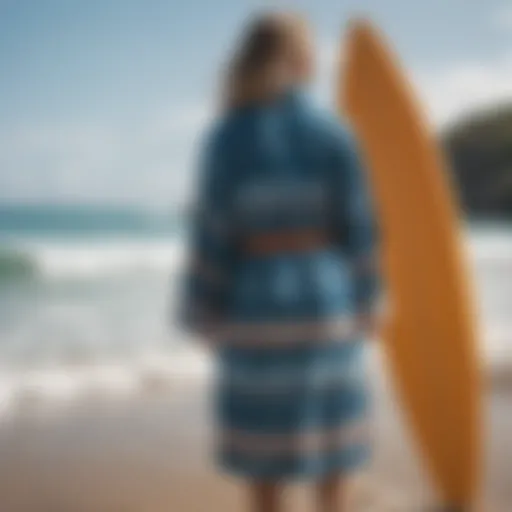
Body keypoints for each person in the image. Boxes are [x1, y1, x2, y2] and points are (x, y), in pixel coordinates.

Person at [179, 11, 380, 512]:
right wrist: (370, 297)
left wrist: (202, 310)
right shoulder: (335, 134)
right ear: (302, 59)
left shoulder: (225, 139)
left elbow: (212, 236)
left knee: (263, 461)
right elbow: (359, 227)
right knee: (333, 450)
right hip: (324, 298)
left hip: (255, 305)